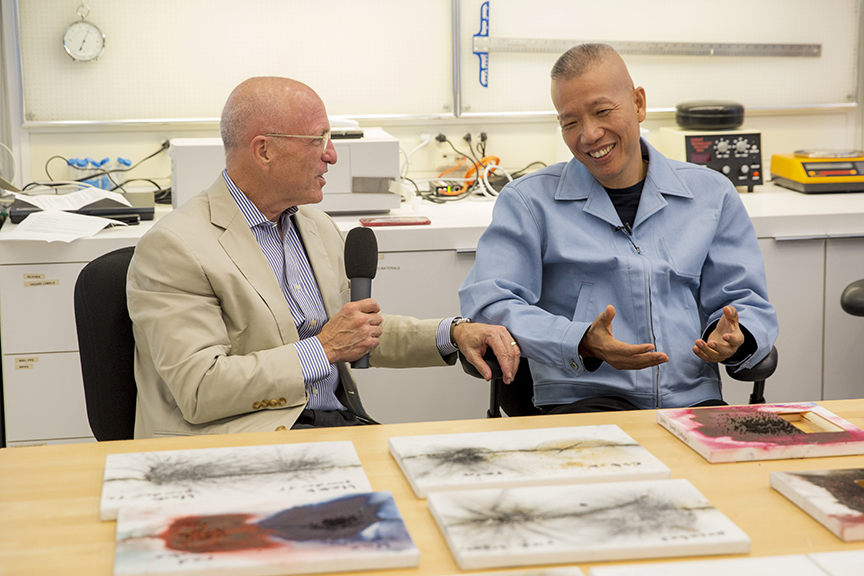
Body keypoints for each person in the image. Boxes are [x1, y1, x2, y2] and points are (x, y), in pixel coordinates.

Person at [127, 77, 520, 438]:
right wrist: (325, 348)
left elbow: (355, 333)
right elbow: (200, 389)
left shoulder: (314, 225)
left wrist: (452, 333)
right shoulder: (175, 246)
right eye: (318, 139)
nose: (331, 155)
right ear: (264, 151)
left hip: (332, 425)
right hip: (240, 441)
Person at [459, 43, 778, 413]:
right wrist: (580, 341)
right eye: (570, 122)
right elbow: (489, 305)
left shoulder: (710, 194)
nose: (589, 134)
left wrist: (736, 336)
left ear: (638, 103)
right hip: (582, 400)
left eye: (602, 111)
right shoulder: (529, 202)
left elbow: (745, 301)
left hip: (691, 400)